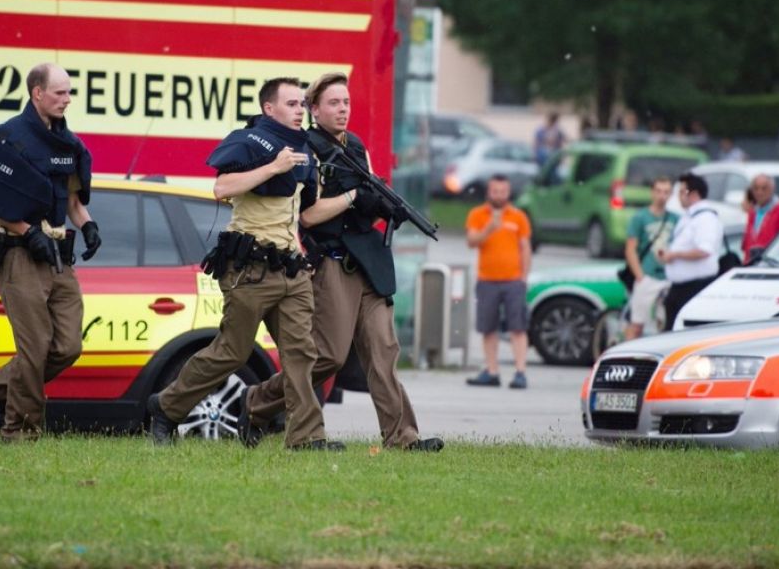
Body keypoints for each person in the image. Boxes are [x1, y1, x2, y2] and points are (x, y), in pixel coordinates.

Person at [238, 72, 443, 452]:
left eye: (346, 102)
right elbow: (309, 215)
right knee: (327, 356)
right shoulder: (307, 149)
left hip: (369, 263)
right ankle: (257, 401)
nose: (343, 109)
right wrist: (353, 198)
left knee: (383, 353)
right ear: (314, 110)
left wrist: (383, 207)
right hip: (332, 263)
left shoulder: (356, 146)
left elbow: (368, 193)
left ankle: (403, 437)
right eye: (333, 103)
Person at [147, 77, 334, 450]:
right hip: (250, 270)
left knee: (302, 353)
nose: (300, 110)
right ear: (269, 108)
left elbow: (303, 213)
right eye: (291, 104)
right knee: (232, 352)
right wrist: (273, 167)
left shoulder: (306, 150)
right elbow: (222, 188)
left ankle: (306, 438)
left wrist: (351, 200)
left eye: (302, 104)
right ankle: (166, 407)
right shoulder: (248, 141)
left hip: (291, 269)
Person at [0, 63, 102, 442]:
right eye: (60, 93)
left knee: (68, 346)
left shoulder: (68, 144)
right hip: (20, 255)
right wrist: (26, 231)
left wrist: (88, 225)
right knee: (35, 348)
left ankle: (0, 389)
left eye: (69, 92)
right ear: (37, 93)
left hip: (59, 256)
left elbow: (73, 202)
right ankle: (20, 431)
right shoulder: (5, 138)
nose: (67, 99)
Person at [464, 175, 531, 389]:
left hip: (513, 280)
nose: (499, 196)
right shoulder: (477, 215)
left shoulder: (518, 216)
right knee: (488, 327)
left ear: (508, 193)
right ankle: (492, 371)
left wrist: (524, 277)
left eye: (503, 192)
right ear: (488, 192)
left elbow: (525, 247)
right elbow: (471, 241)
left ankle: (520, 371)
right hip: (487, 280)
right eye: (495, 191)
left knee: (517, 327)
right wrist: (489, 229)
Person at [659, 173, 723, 331]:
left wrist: (675, 255)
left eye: (682, 192)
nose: (679, 197)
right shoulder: (690, 216)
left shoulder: (706, 218)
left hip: (695, 287)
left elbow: (704, 250)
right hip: (680, 287)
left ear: (694, 194)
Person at [622, 177, 677, 340]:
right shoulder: (640, 217)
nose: (662, 196)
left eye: (666, 192)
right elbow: (630, 249)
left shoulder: (676, 218)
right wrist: (640, 276)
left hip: (668, 277)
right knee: (637, 323)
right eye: (659, 191)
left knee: (665, 324)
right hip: (648, 275)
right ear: (652, 193)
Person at [741, 174, 779, 263]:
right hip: (752, 264)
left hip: (771, 264)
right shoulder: (752, 213)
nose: (759, 192)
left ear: (772, 189)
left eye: (764, 188)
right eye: (756, 188)